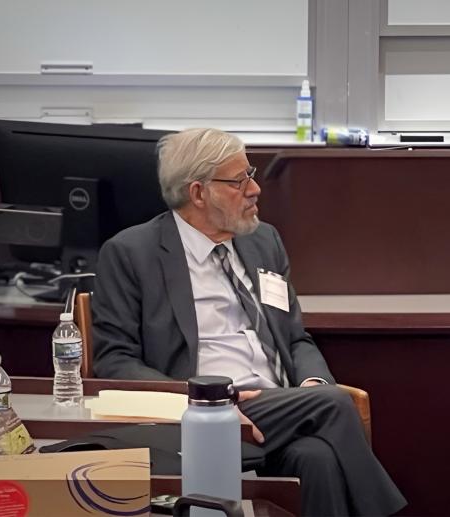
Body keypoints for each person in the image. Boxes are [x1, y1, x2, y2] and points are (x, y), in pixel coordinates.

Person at [92, 128, 406, 517]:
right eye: (239, 181)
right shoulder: (131, 253)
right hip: (203, 412)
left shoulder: (264, 241)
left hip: (282, 405)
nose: (255, 189)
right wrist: (206, 401)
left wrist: (311, 387)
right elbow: (115, 360)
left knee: (317, 452)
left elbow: (296, 338)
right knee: (334, 411)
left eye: (251, 174)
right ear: (198, 193)